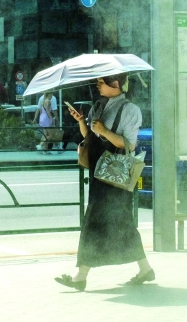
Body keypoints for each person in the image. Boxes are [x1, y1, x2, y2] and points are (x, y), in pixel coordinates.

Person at [55, 74, 154, 291]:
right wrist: (82, 121)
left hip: (115, 174)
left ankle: (81, 275)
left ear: (115, 84)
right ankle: (145, 269)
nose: (97, 85)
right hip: (99, 171)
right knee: (122, 223)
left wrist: (104, 132)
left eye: (101, 82)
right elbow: (89, 137)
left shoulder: (130, 110)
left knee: (94, 221)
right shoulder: (97, 106)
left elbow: (129, 145)